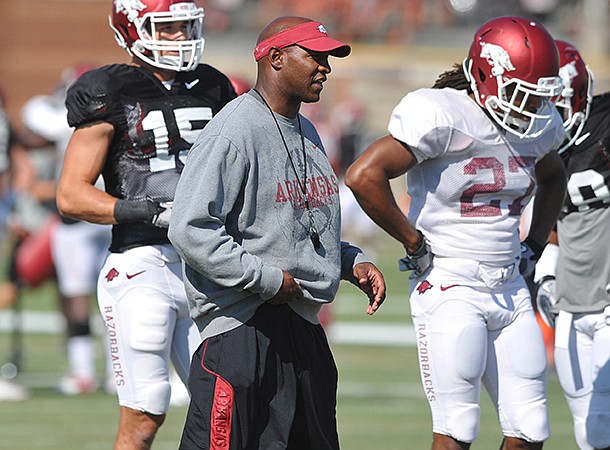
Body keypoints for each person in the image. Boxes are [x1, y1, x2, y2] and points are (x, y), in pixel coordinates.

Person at [345, 16, 568, 450]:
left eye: (537, 96)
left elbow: (554, 176)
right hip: (450, 281)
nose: (528, 108)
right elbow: (364, 175)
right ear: (486, 73)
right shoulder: (444, 113)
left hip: (509, 283)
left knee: (531, 427)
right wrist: (412, 240)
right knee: (459, 426)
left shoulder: (536, 126)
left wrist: (536, 244)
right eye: (521, 93)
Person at [168, 16, 386, 450]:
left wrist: (349, 261)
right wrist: (265, 279)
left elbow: (298, 224)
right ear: (276, 58)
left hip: (301, 326)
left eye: (327, 59)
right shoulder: (234, 130)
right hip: (242, 332)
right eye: (315, 57)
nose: (325, 68)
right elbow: (190, 227)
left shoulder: (306, 129)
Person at [55, 0, 237, 448]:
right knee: (145, 413)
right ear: (130, 30)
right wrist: (151, 211)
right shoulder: (107, 89)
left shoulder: (213, 85)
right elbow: (71, 194)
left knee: (229, 405)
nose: (179, 36)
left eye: (183, 26)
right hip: (143, 264)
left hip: (208, 264)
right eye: (167, 27)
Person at [534, 40, 610, 450]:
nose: (541, 115)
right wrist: (547, 270)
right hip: (570, 299)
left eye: (550, 103)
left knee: (602, 426)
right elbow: (548, 219)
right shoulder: (533, 144)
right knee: (585, 431)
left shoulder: (605, 122)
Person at [19, 64, 113, 395]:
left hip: (78, 216)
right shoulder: (122, 111)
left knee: (76, 296)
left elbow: (33, 115)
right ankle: (115, 373)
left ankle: (84, 371)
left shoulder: (66, 116)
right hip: (112, 211)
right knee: (113, 296)